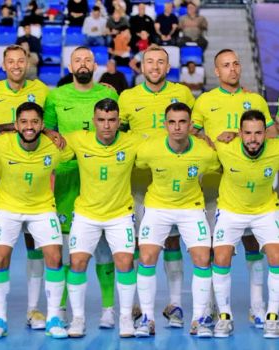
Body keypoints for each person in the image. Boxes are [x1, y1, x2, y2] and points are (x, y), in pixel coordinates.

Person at [192, 48, 277, 329]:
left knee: (254, 244)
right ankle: (214, 309)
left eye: (236, 64)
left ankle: (257, 307)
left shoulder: (255, 100)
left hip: (249, 182)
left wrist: (241, 135)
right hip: (214, 187)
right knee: (216, 251)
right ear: (216, 71)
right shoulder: (204, 100)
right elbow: (191, 133)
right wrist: (210, 138)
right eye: (226, 65)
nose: (233, 69)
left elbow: (271, 133)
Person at [0, 102, 73, 339]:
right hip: (7, 207)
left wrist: (55, 134)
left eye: (34, 122)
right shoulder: (0, 143)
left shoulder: (55, 147)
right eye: (23, 122)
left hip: (42, 208)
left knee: (54, 256)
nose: (29, 127)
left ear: (42, 125)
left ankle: (53, 318)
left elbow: (73, 154)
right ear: (16, 124)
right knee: (0, 258)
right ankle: (0, 317)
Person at [119, 44, 195, 329]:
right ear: (141, 66)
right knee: (141, 243)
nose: (154, 67)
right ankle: (140, 305)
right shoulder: (127, 97)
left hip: (172, 184)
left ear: (167, 67)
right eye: (149, 62)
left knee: (173, 241)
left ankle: (174, 304)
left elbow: (195, 129)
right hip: (138, 184)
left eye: (160, 62)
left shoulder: (183, 94)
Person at [0, 44, 50, 330]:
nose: (17, 65)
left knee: (34, 246)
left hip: (33, 178)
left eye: (22, 60)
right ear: (3, 65)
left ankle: (33, 309)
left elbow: (48, 126)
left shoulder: (42, 90)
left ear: (28, 63)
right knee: (0, 248)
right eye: (11, 61)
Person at [44, 46, 119, 328]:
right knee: (68, 248)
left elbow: (118, 133)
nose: (83, 63)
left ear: (95, 64)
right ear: (70, 65)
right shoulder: (56, 96)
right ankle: (62, 307)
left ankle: (108, 309)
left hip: (100, 179)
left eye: (88, 59)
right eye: (78, 60)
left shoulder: (108, 94)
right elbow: (48, 131)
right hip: (67, 180)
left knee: (103, 249)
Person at [135, 102, 219, 338]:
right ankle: (147, 319)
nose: (177, 127)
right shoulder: (149, 149)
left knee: (203, 258)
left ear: (191, 125)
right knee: (147, 256)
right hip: (158, 207)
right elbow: (137, 164)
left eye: (183, 122)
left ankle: (199, 319)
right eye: (172, 122)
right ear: (165, 125)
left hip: (191, 208)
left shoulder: (205, 152)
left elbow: (220, 167)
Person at [65, 98, 140, 338]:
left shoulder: (133, 140)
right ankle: (77, 319)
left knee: (125, 263)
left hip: (120, 215)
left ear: (119, 122)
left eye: (111, 120)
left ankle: (126, 318)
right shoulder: (78, 139)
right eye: (101, 120)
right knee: (77, 263)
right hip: (86, 215)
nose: (106, 125)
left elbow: (166, 141)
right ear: (93, 121)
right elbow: (51, 143)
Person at [212, 110, 279, 338]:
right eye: (248, 133)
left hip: (265, 211)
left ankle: (272, 317)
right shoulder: (225, 149)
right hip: (231, 210)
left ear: (266, 134)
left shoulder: (276, 149)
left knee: (277, 257)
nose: (253, 139)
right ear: (239, 133)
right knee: (220, 258)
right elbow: (198, 140)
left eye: (258, 133)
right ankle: (224, 316)